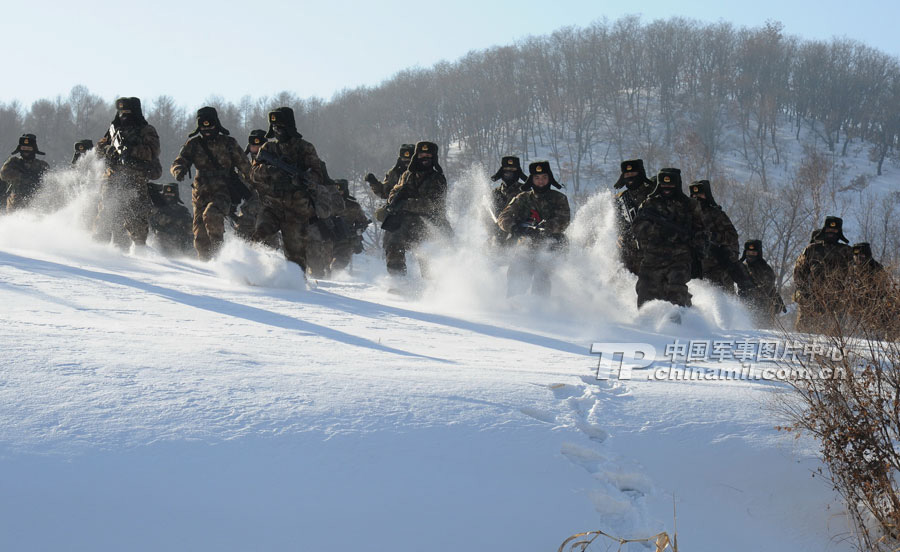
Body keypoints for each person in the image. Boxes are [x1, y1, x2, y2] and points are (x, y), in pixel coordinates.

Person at [249, 106, 328, 275]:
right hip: (272, 205)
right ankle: (249, 271)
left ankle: (296, 288)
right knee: (258, 236)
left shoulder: (305, 148)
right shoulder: (268, 149)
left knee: (296, 257)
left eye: (281, 127)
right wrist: (272, 171)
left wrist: (302, 178)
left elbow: (317, 175)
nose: (278, 131)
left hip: (297, 210)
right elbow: (253, 173)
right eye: (275, 127)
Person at [171, 106, 251, 260]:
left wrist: (254, 186)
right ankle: (207, 270)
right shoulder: (193, 144)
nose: (207, 130)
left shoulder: (228, 143)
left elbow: (245, 167)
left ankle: (219, 255)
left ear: (217, 125)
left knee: (212, 215)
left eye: (210, 126)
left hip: (223, 192)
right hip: (200, 194)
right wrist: (179, 170)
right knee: (200, 237)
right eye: (203, 127)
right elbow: (179, 161)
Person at [632, 168, 706, 309]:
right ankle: (646, 326)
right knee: (645, 292)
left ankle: (683, 323)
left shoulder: (690, 205)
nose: (667, 188)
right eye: (664, 185)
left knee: (676, 292)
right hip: (652, 259)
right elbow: (637, 227)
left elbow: (701, 232)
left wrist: (697, 249)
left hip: (679, 259)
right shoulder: (649, 204)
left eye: (671, 185)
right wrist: (658, 231)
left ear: (677, 185)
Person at [93, 97, 161, 249]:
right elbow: (98, 151)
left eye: (127, 112)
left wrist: (130, 150)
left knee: (136, 219)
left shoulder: (146, 130)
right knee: (106, 215)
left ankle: (139, 252)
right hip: (113, 178)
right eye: (121, 112)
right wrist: (108, 150)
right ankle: (96, 252)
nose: (124, 116)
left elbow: (153, 151)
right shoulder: (113, 129)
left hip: (136, 179)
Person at [497, 160, 570, 296]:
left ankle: (541, 310)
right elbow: (503, 217)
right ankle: (513, 306)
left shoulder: (559, 198)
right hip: (526, 244)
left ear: (549, 178)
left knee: (542, 276)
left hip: (552, 246)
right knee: (516, 274)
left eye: (544, 177)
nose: (540, 181)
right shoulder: (522, 198)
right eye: (537, 178)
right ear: (531, 179)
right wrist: (514, 228)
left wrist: (545, 228)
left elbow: (563, 221)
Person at [381, 141, 451, 277]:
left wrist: (407, 203)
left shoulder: (437, 179)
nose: (425, 158)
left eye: (428, 155)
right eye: (422, 154)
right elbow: (393, 193)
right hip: (406, 222)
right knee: (393, 241)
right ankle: (398, 280)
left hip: (430, 222)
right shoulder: (407, 176)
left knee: (428, 253)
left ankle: (432, 286)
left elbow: (433, 205)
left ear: (434, 157)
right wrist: (395, 200)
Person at [792, 216, 853, 334]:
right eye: (829, 230)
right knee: (805, 333)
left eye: (834, 230)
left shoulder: (847, 251)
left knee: (836, 335)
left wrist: (847, 294)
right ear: (824, 230)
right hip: (812, 298)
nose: (831, 233)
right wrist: (804, 292)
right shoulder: (811, 250)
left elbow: (854, 275)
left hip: (838, 299)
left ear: (839, 232)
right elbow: (799, 272)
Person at [688, 180, 744, 293]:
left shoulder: (716, 214)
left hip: (717, 267)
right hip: (694, 267)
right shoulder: (686, 214)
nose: (697, 198)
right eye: (694, 195)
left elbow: (731, 236)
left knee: (721, 298)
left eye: (700, 194)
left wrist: (711, 237)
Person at [613, 159, 654, 275]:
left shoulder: (652, 194)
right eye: (626, 174)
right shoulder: (620, 199)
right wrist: (620, 236)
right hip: (629, 253)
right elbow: (617, 224)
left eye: (633, 174)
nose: (630, 177)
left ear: (640, 173)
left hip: (653, 252)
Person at [739, 240, 786, 327]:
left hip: (762, 309)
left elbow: (767, 289)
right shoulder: (741, 267)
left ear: (758, 253)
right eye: (749, 252)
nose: (751, 255)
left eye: (754, 253)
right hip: (743, 307)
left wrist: (751, 292)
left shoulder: (765, 269)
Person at [330, 179, 371, 272]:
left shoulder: (353, 206)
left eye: (340, 190)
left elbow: (363, 222)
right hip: (328, 238)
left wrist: (359, 230)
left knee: (340, 262)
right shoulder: (327, 202)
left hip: (346, 240)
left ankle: (333, 279)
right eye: (336, 191)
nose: (339, 193)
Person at [1, 134, 49, 211]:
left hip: (37, 203)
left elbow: (49, 182)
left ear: (34, 149)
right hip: (14, 204)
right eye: (23, 148)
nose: (26, 151)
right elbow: (3, 174)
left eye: (29, 148)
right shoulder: (13, 162)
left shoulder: (42, 165)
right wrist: (22, 176)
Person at [149, 183, 193, 256]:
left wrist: (176, 221)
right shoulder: (158, 209)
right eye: (166, 195)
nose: (168, 197)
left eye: (171, 195)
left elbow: (189, 227)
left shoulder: (182, 210)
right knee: (159, 236)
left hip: (178, 242)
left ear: (175, 195)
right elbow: (152, 224)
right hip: (160, 241)